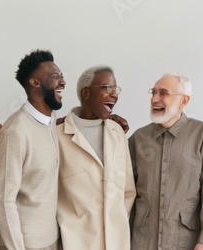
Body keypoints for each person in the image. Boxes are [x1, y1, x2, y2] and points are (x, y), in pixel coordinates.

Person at [129, 73, 203, 250]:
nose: (155, 99)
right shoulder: (138, 138)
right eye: (153, 92)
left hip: (186, 241)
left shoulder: (201, 134)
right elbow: (124, 192)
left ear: (184, 101)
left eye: (163, 93)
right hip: (142, 241)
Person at [56, 65, 136, 249]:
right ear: (85, 93)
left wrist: (116, 221)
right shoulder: (57, 135)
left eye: (116, 90)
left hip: (116, 242)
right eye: (107, 88)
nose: (114, 94)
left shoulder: (118, 132)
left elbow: (128, 189)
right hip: (74, 242)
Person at [0, 49, 65, 250]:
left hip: (53, 239)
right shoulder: (14, 132)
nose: (62, 82)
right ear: (35, 83)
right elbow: (3, 200)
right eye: (55, 77)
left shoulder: (50, 123)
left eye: (62, 76)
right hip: (27, 244)